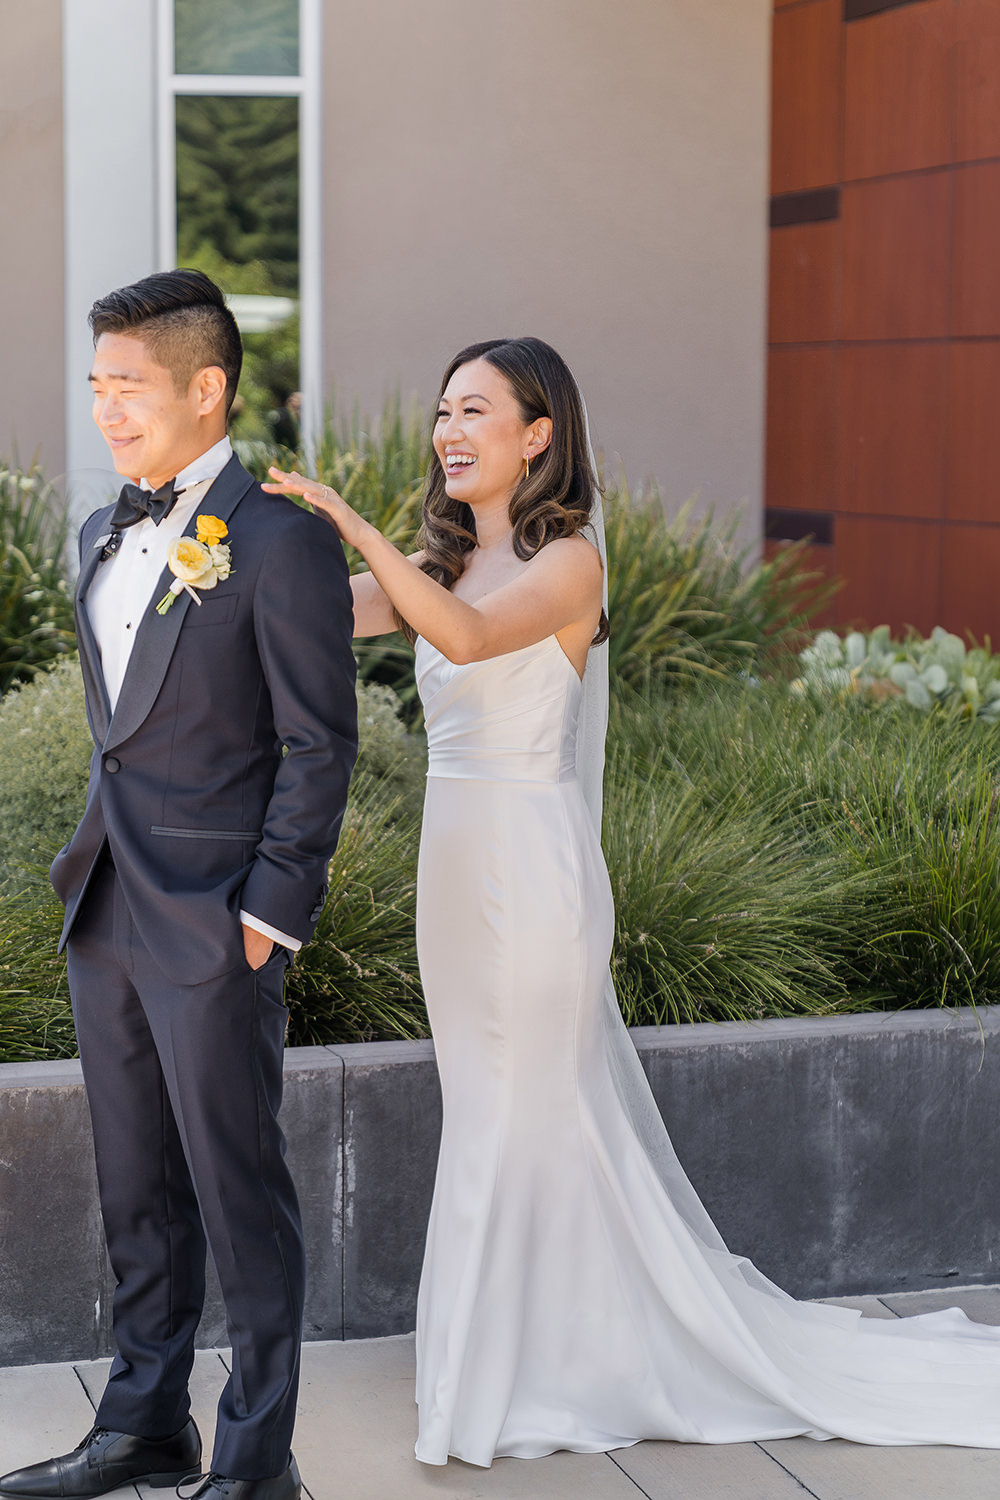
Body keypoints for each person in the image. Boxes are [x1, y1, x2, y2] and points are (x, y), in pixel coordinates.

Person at [265, 334, 1000, 1469]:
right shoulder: (448, 559)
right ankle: (524, 1355)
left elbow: (456, 637)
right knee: (494, 1112)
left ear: (538, 433)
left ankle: (517, 1374)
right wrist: (225, 557)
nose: (447, 432)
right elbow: (322, 612)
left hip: (530, 871)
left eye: (473, 410)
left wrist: (352, 524)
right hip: (454, 875)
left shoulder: (568, 566)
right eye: (441, 413)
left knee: (525, 1112)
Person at [0, 270, 357, 1500]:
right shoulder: (106, 527)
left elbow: (321, 741)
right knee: (135, 1187)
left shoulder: (280, 542)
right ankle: (144, 1422)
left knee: (234, 1184)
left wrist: (269, 913)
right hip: (107, 904)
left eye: (129, 386)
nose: (107, 409)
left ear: (206, 389)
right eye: (96, 386)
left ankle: (258, 1462)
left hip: (217, 922)